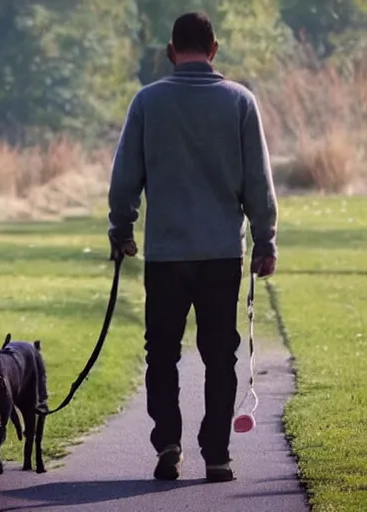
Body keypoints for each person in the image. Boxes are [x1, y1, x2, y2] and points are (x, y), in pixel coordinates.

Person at [107, 12, 278, 483]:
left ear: (170, 51)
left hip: (166, 255)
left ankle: (168, 443)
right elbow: (258, 183)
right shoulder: (240, 102)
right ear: (215, 49)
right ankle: (217, 454)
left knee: (161, 351)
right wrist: (265, 240)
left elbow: (125, 178)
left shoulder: (148, 102)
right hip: (222, 252)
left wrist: (122, 228)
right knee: (219, 354)